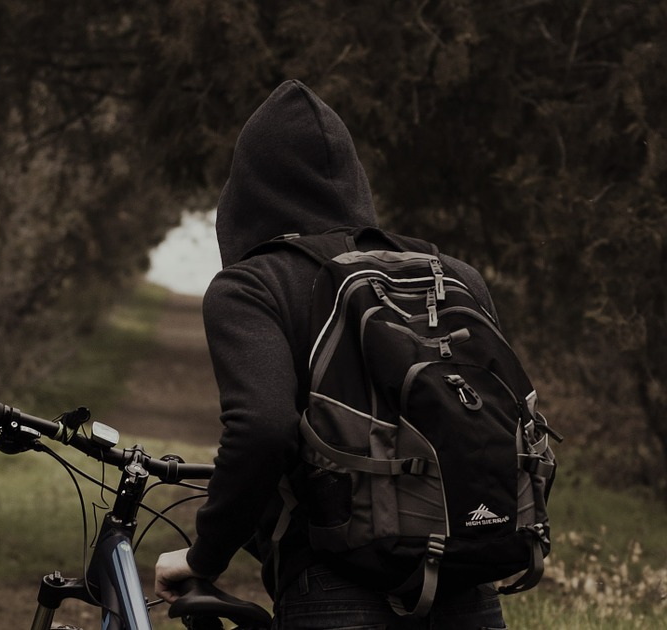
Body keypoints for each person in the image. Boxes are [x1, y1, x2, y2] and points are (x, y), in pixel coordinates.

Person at [153, 80, 510, 629]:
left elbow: (262, 430)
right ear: (353, 178)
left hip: (336, 585)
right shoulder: (452, 275)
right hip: (466, 577)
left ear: (247, 188)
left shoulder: (253, 285)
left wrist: (205, 556)